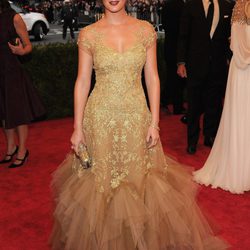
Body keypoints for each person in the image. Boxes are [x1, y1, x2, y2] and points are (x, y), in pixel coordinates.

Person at [49, 0, 230, 248]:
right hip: (100, 119)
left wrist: (154, 123)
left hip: (137, 117)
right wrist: (77, 127)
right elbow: (82, 81)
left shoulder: (145, 30)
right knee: (101, 184)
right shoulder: (89, 34)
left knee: (139, 183)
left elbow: (153, 77)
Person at [193, 0, 250, 194]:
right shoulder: (240, 7)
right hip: (244, 72)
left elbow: (234, 43)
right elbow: (238, 45)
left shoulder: (236, 6)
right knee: (243, 117)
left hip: (241, 70)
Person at [177, 0, 234, 154]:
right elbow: (183, 36)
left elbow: (230, 36)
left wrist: (229, 58)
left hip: (217, 65)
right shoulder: (191, 5)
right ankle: (192, 141)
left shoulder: (226, 6)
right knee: (194, 105)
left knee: (214, 103)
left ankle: (210, 135)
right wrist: (181, 62)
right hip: (195, 64)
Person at [0, 0, 45, 168]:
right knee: (4, 113)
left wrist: (21, 51)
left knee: (17, 113)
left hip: (11, 71)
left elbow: (28, 46)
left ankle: (22, 150)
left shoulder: (14, 18)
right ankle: (11, 148)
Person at [161, 0, 186, 115]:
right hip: (178, 47)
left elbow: (164, 24)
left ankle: (165, 102)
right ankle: (176, 106)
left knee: (171, 77)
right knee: (178, 79)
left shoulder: (167, 5)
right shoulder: (182, 5)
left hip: (169, 46)